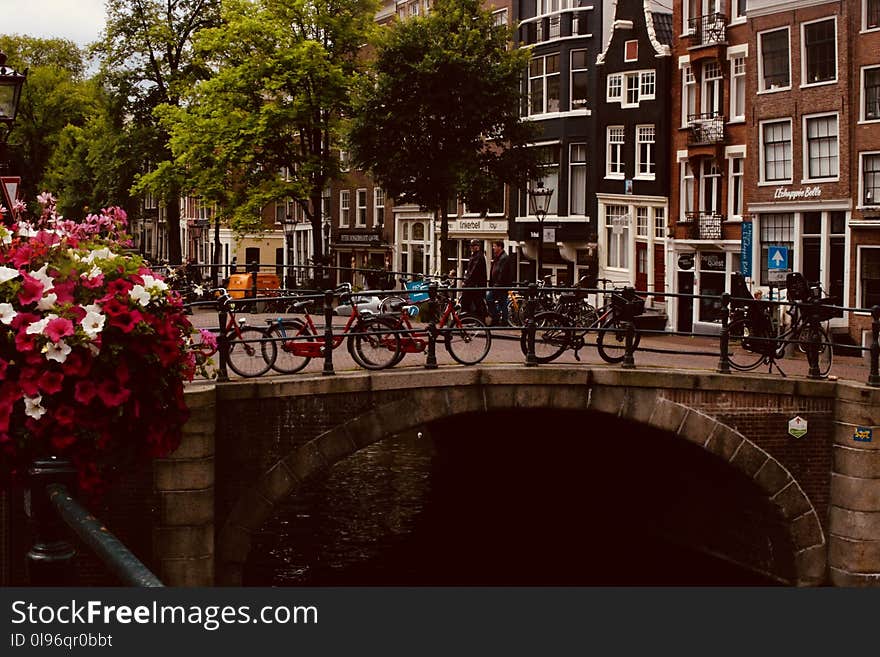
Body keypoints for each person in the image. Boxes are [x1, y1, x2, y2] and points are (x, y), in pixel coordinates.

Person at [487, 240, 514, 325]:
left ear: (500, 247)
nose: (493, 248)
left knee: (489, 298)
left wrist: (497, 284)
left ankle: (496, 317)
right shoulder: (498, 257)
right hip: (497, 285)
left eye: (494, 246)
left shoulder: (504, 258)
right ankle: (503, 321)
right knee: (502, 303)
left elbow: (502, 273)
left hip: (500, 285)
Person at [461, 239, 487, 317]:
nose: (471, 247)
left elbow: (473, 271)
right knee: (475, 302)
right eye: (471, 246)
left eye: (473, 246)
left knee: (474, 301)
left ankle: (468, 317)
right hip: (474, 284)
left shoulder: (478, 256)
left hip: (475, 284)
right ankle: (471, 318)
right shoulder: (475, 255)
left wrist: (466, 281)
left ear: (477, 246)